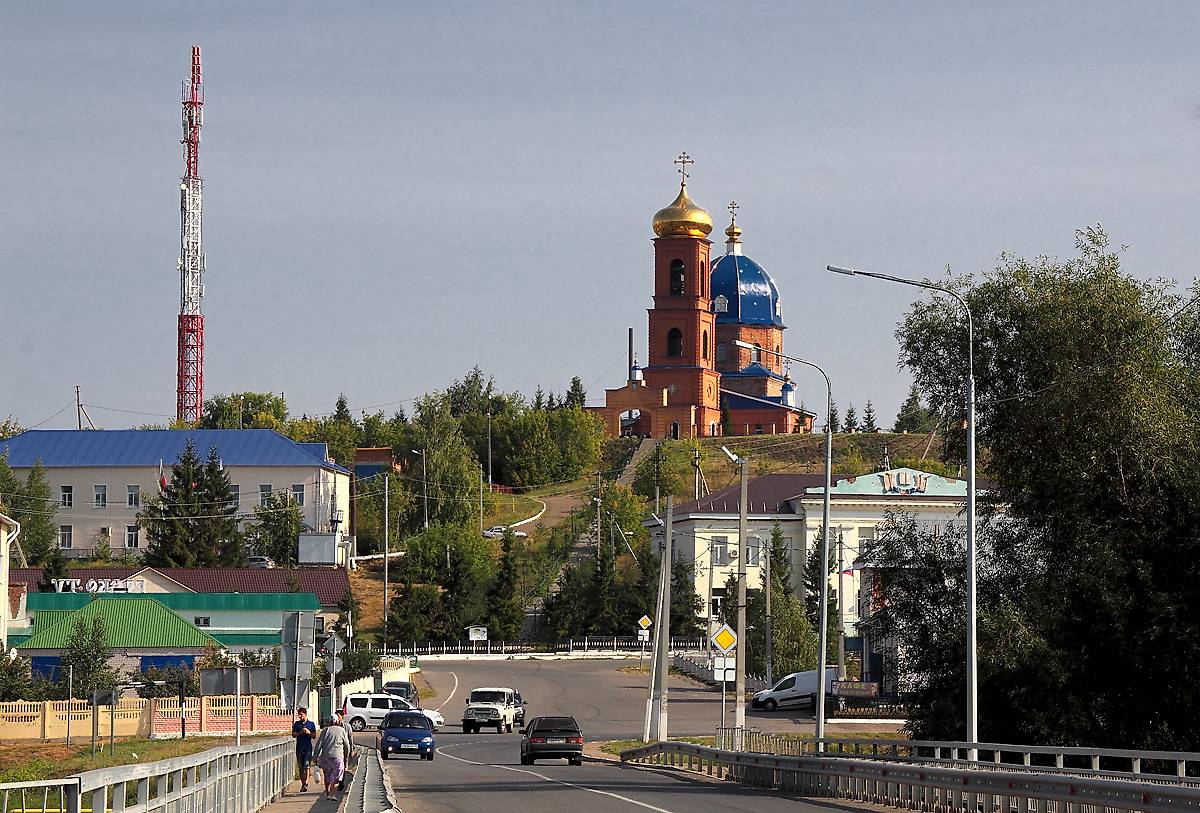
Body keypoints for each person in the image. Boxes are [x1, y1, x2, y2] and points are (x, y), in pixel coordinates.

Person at [313, 715, 352, 801]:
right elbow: (347, 745)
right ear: (338, 721)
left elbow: (319, 744)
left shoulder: (325, 730)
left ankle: (327, 792)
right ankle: (333, 794)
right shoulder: (342, 730)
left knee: (327, 775)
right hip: (338, 757)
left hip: (326, 757)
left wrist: (315, 757)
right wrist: (346, 756)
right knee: (337, 776)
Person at [291, 707, 318, 792]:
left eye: (301, 715)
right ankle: (303, 783)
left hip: (307, 748)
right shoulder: (297, 724)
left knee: (306, 765)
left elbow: (314, 736)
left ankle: (305, 783)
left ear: (305, 714)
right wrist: (300, 733)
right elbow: (293, 735)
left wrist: (308, 732)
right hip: (299, 747)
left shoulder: (311, 724)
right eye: (298, 714)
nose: (299, 716)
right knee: (301, 767)